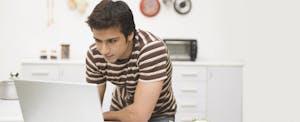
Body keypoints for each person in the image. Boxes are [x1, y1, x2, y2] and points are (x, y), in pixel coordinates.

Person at [85, 0, 176, 121]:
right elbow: (91, 108)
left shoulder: (151, 49)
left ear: (130, 35)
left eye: (112, 41)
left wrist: (100, 116)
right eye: (98, 40)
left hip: (158, 115)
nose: (104, 50)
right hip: (119, 110)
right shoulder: (95, 53)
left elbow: (139, 117)